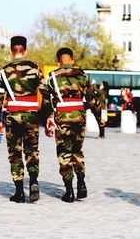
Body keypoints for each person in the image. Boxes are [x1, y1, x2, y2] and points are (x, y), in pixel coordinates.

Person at [43, 47, 101, 203]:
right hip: (79, 116)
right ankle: (81, 182)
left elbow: (46, 101)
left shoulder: (52, 77)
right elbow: (91, 98)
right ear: (72, 60)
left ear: (58, 62)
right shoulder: (82, 75)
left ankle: (69, 190)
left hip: (61, 115)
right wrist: (98, 116)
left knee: (64, 152)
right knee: (77, 150)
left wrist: (47, 119)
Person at [0, 36, 47, 203]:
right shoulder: (35, 69)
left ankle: (19, 191)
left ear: (11, 50)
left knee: (15, 152)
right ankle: (34, 183)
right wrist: (48, 116)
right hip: (31, 114)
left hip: (12, 115)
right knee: (32, 151)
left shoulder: (3, 71)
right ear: (25, 50)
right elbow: (45, 94)